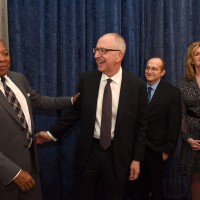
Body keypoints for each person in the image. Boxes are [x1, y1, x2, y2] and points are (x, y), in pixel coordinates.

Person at [35, 33, 148, 200]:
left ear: (119, 55)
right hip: (89, 152)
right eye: (96, 50)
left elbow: (141, 125)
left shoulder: (136, 85)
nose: (96, 56)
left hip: (118, 154)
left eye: (103, 51)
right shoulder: (87, 80)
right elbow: (75, 113)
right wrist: (51, 134)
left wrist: (137, 159)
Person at [0, 39, 79, 200]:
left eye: (5, 53)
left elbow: (39, 101)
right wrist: (13, 173)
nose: (2, 59)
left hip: (31, 169)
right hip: (5, 177)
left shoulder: (18, 78)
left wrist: (71, 100)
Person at [132, 57, 182, 200]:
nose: (149, 71)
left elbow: (174, 124)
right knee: (137, 189)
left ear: (162, 72)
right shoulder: (137, 89)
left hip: (158, 151)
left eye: (154, 68)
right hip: (137, 150)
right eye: (147, 68)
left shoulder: (172, 93)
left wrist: (167, 150)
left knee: (156, 190)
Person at [179, 42, 200, 200]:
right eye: (197, 54)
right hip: (193, 137)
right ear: (191, 60)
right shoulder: (184, 83)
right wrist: (187, 137)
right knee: (196, 179)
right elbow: (181, 113)